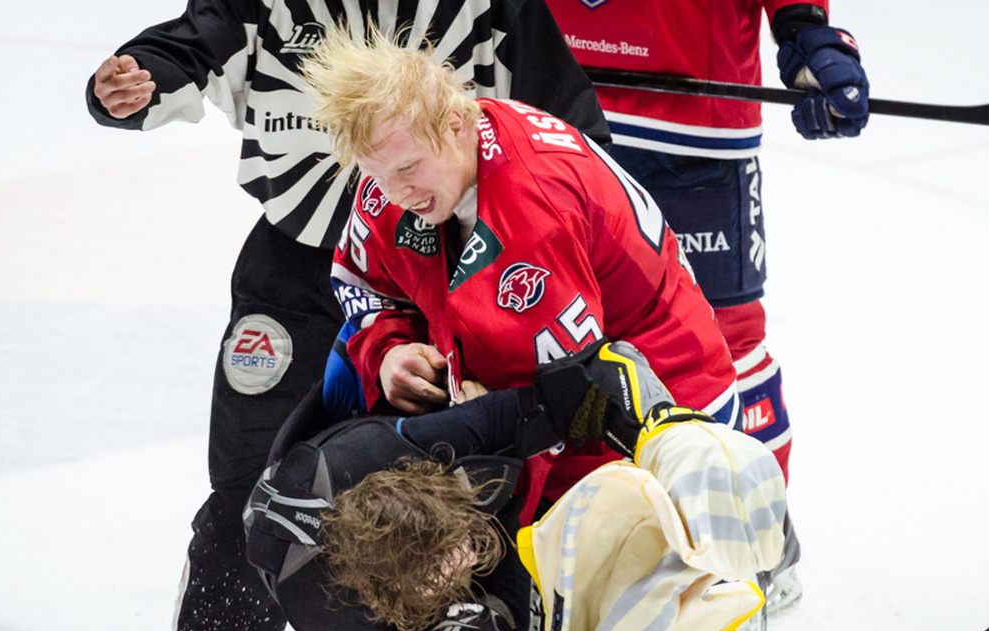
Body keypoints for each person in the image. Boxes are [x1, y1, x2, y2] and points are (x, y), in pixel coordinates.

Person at [84, 1, 610, 631]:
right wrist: (132, 83)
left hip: (446, 276)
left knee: (505, 487)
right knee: (248, 491)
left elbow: (572, 132)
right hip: (296, 280)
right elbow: (186, 52)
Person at [244, 341, 788, 631]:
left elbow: (590, 381)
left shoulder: (417, 446)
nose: (467, 559)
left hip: (385, 472)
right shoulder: (355, 622)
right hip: (395, 596)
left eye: (459, 542)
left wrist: (671, 435)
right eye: (444, 571)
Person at [306, 25, 742, 513]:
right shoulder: (396, 169)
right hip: (561, 389)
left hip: (665, 403)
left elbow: (571, 401)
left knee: (625, 574)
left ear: (456, 124)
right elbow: (363, 282)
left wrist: (481, 421)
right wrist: (388, 351)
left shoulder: (533, 210)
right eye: (376, 175)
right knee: (342, 378)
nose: (394, 194)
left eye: (407, 170)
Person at [544, 0, 873, 611]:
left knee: (724, 345)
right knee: (558, 332)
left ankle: (754, 542)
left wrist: (803, 28)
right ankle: (589, 541)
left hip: (694, 126)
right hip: (551, 109)